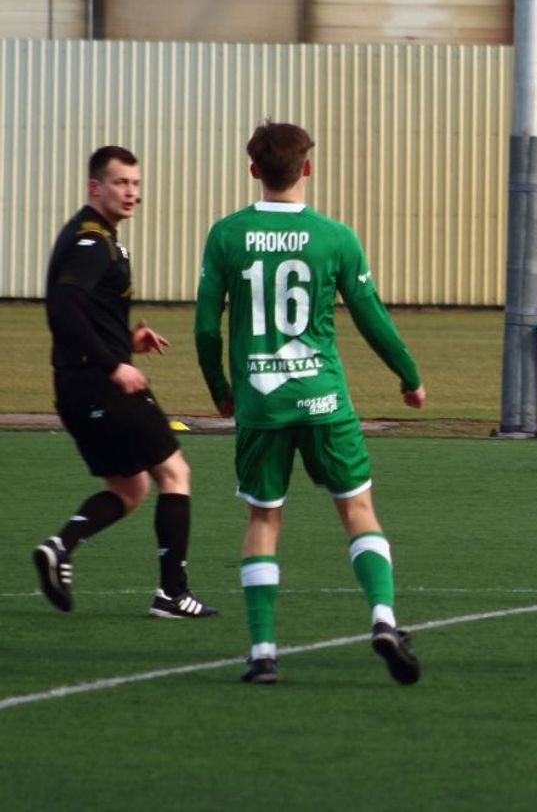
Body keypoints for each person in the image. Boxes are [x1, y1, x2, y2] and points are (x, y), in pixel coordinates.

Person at [194, 122, 426, 685]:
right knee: (357, 510)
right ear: (307, 168)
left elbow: (205, 327)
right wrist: (409, 376)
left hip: (260, 403)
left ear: (254, 169)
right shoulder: (335, 237)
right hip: (324, 400)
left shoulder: (226, 235)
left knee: (263, 519)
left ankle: (263, 652)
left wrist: (220, 389)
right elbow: (371, 317)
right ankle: (383, 618)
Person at [33, 146, 218, 620]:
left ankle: (61, 546)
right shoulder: (92, 241)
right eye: (120, 182)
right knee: (175, 473)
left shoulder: (95, 235)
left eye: (135, 183)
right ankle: (172, 594)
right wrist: (114, 364)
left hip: (76, 385)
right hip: (102, 385)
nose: (131, 192)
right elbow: (64, 308)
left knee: (129, 486)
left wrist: (125, 341)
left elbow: (85, 313)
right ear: (95, 186)